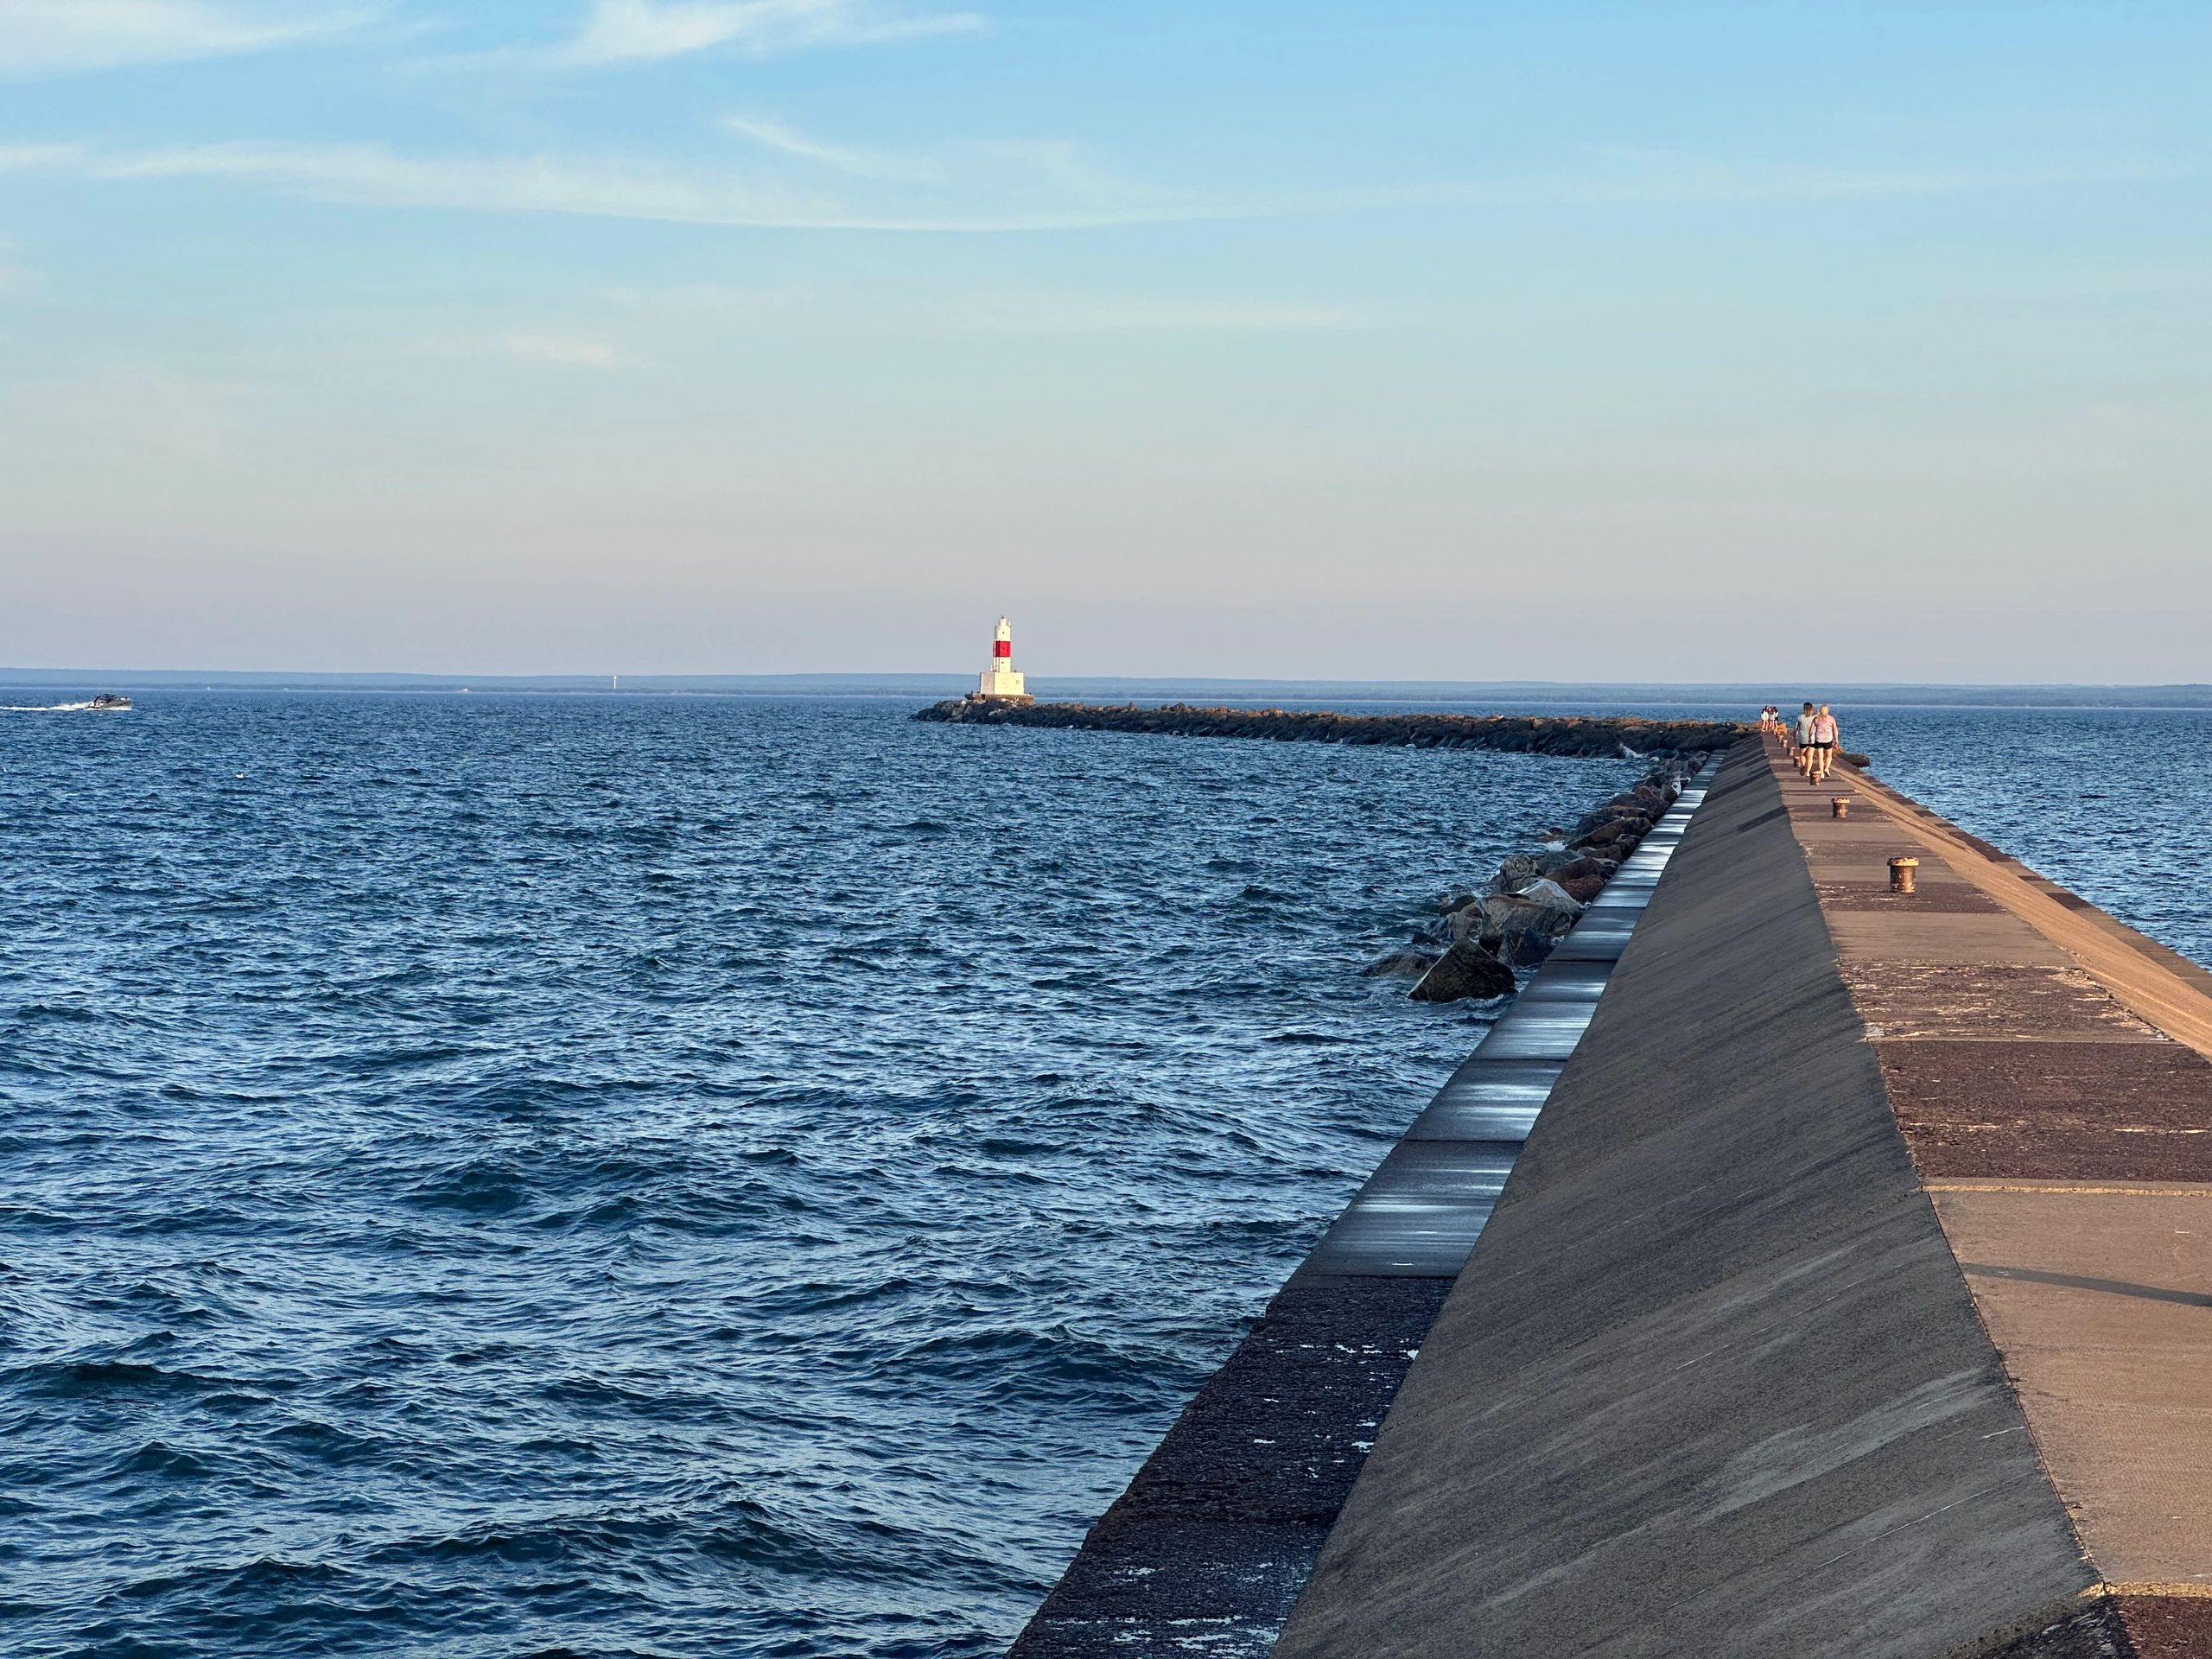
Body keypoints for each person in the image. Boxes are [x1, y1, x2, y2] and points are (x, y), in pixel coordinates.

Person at [1809, 703, 1840, 784]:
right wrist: (1836, 739)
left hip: (1819, 739)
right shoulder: (1831, 719)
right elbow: (1835, 730)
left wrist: (1810, 737)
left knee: (1820, 757)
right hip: (1828, 740)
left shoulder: (1816, 719)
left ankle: (1822, 772)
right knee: (1829, 755)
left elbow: (1811, 730)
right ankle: (1827, 768)